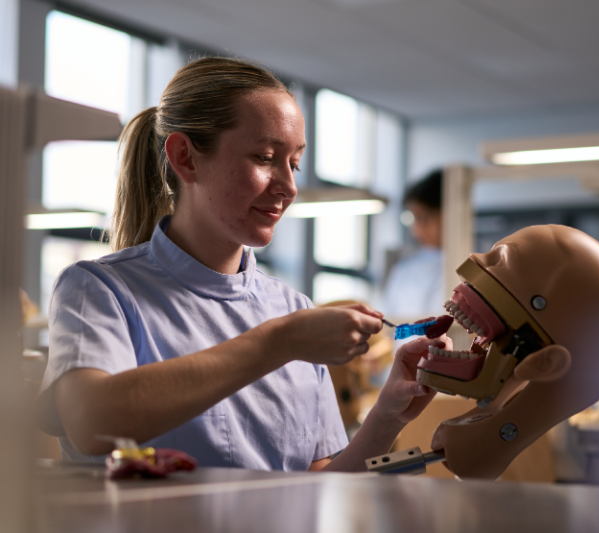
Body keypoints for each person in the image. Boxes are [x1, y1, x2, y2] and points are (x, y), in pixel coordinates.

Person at [35, 57, 449, 472]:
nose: (288, 186)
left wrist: (387, 416)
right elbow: (92, 421)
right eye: (265, 157)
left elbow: (320, 485)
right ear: (185, 157)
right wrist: (280, 342)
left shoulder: (293, 310)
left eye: (295, 163)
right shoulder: (99, 289)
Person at [381, 169, 444, 319]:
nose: (416, 230)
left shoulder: (472, 269)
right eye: (412, 218)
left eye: (425, 218)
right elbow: (386, 326)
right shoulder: (403, 271)